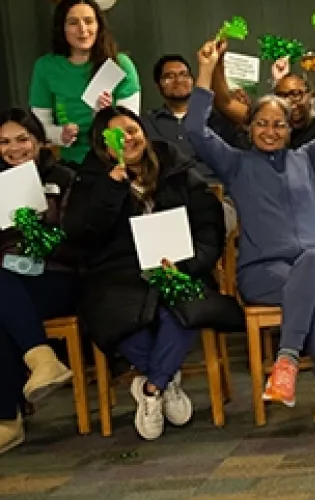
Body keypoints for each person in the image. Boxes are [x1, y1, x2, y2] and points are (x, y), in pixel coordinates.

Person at [186, 35, 315, 435]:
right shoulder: (234, 164)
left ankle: (286, 362)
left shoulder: (308, 158)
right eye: (262, 123)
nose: (270, 130)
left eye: (279, 124)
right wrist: (205, 70)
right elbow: (195, 129)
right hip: (263, 274)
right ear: (249, 129)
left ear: (289, 129)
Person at [63, 108, 233, 442]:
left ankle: (152, 386)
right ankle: (166, 377)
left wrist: (189, 265)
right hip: (118, 274)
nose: (129, 139)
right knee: (119, 318)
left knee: (182, 307)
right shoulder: (91, 178)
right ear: (103, 146)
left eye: (132, 129)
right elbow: (81, 235)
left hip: (178, 266)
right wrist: (112, 188)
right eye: (117, 136)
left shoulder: (175, 167)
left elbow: (209, 225)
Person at [0, 111, 78, 452]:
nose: (14, 148)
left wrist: (42, 234)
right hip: (8, 277)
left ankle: (6, 419)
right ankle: (41, 359)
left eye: (22, 139)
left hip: (55, 275)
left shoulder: (64, 178)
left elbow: (82, 237)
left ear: (39, 141)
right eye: (4, 141)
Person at [29, 0, 140, 165]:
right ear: (62, 28)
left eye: (88, 21)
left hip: (115, 159)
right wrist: (60, 135)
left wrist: (106, 116)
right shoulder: (45, 66)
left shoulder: (120, 63)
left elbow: (132, 126)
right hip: (71, 164)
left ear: (98, 25)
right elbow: (39, 125)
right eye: (73, 23)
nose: (83, 29)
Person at [142, 54, 242, 183]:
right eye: (170, 76)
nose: (178, 80)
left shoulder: (217, 119)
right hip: (170, 194)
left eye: (184, 75)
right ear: (158, 85)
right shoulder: (147, 123)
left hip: (215, 191)